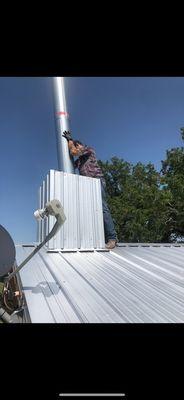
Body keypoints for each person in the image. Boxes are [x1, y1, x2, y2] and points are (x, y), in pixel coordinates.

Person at [62, 130, 118, 249]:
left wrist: (70, 141)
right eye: (76, 145)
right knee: (91, 211)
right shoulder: (79, 162)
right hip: (87, 186)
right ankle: (98, 238)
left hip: (97, 181)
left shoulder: (89, 150)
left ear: (81, 145)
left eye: (78, 145)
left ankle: (112, 238)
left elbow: (73, 151)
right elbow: (70, 159)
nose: (77, 147)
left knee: (103, 209)